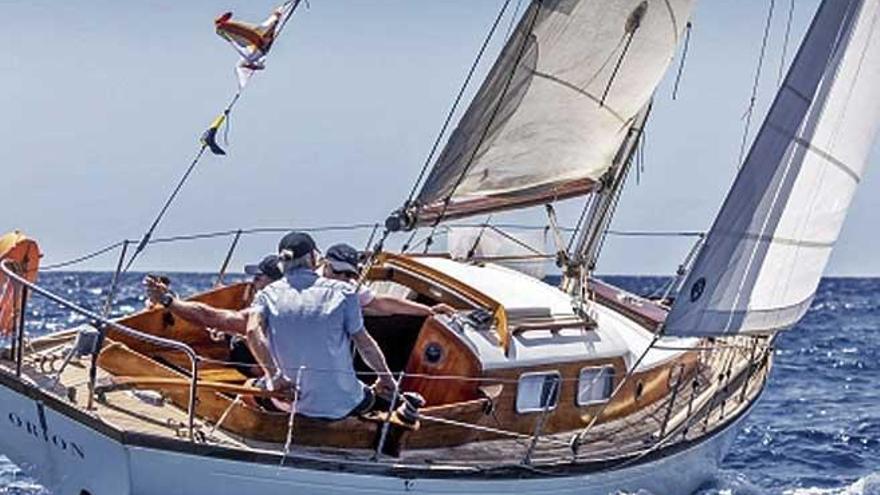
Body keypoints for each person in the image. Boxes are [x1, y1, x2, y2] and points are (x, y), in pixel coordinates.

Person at [246, 232, 396, 419]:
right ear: (312, 258)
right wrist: (385, 378)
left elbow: (252, 331)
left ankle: (265, 426)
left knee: (249, 387)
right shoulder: (345, 293)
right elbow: (364, 345)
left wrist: (275, 377)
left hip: (286, 400)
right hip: (342, 405)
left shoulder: (266, 295)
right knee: (378, 398)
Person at [143, 253, 283, 337]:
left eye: (258, 277)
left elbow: (209, 317)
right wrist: (230, 333)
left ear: (276, 282)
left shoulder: (268, 310)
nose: (253, 282)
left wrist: (166, 300)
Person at [321, 243, 456, 317]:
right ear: (325, 265)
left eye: (349, 274)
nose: (342, 278)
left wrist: (429, 310)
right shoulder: (307, 281)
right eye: (338, 271)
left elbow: (383, 303)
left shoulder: (349, 288)